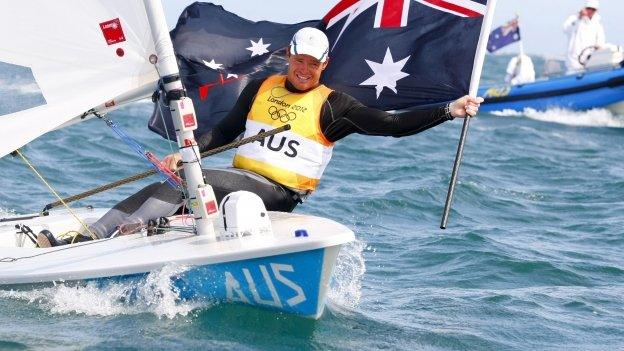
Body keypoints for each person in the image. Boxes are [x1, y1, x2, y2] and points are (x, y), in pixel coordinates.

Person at [37, 27, 483, 247]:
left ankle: (94, 241)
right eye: (298, 60)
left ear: (324, 64)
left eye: (312, 63)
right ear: (289, 56)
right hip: (235, 183)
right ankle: (96, 238)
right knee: (173, 181)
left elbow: (391, 126)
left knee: (192, 183)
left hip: (279, 193)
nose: (303, 69)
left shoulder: (334, 105)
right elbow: (228, 132)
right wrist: (186, 153)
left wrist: (450, 110)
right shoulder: (263, 85)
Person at [563, 0, 606, 73]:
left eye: (593, 9)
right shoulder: (574, 19)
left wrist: (598, 47)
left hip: (589, 60)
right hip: (574, 61)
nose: (590, 11)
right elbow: (565, 28)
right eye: (589, 8)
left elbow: (601, 41)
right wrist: (579, 18)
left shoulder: (597, 25)